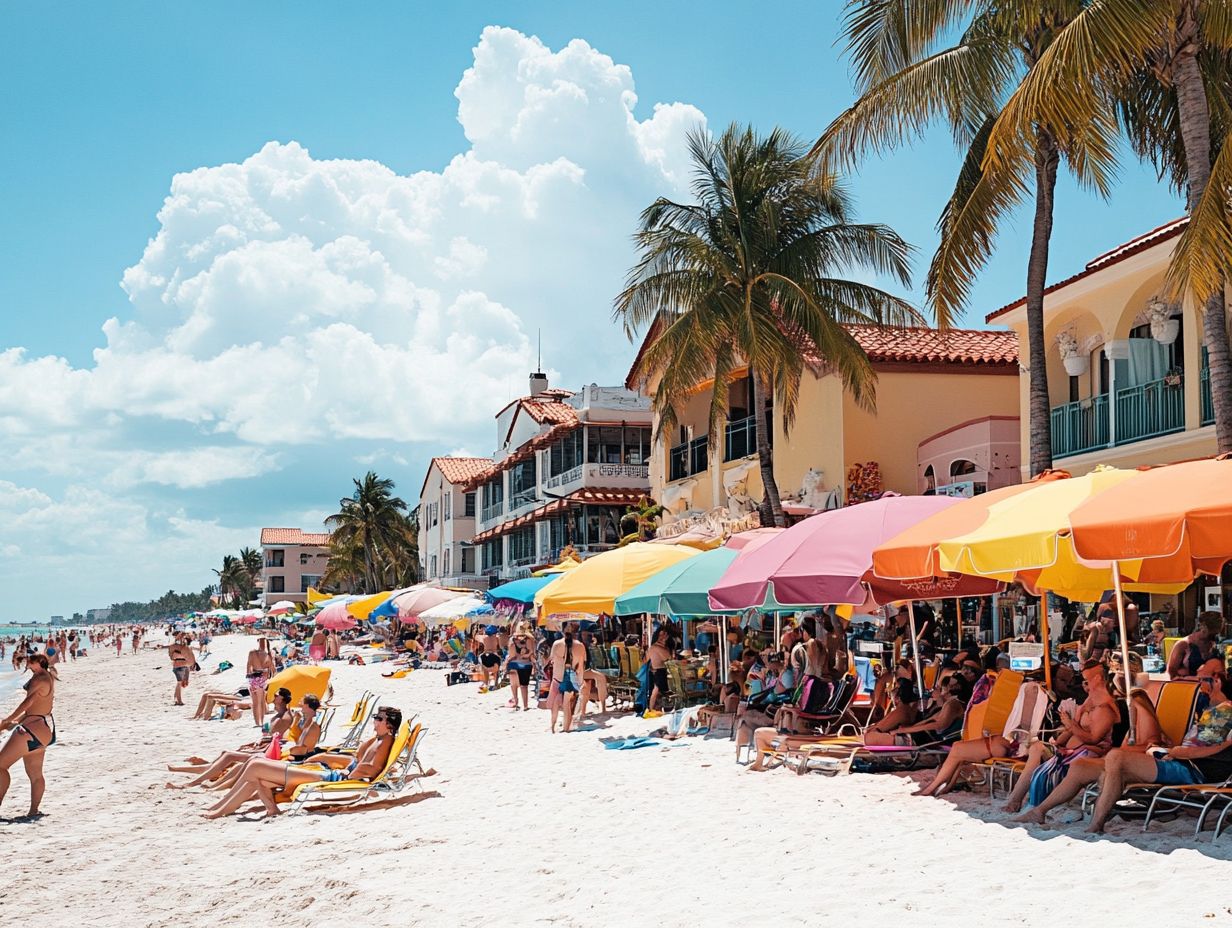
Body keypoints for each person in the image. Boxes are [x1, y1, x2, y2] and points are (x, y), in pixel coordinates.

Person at [1086, 669, 1232, 833]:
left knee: (1116, 757)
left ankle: (1097, 821)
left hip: (1193, 771)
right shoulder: (1215, 710)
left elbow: (1216, 750)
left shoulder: (1225, 712)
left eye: (1204, 679)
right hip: (1183, 763)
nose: (1201, 684)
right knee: (1118, 768)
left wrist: (1178, 752)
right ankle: (1099, 821)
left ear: (1218, 682)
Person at [202, 706, 401, 819]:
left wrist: (350, 773)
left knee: (255, 765)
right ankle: (228, 809)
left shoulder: (386, 741)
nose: (374, 720)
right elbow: (357, 758)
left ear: (389, 724)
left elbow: (373, 769)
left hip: (332, 777)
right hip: (331, 771)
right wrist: (324, 757)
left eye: (378, 718)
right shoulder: (379, 739)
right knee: (257, 776)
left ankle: (219, 809)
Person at [1013, 688, 1166, 825]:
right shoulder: (1133, 723)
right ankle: (1039, 811)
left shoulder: (1145, 719)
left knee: (1089, 763)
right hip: (1117, 760)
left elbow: (1151, 746)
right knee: (1079, 766)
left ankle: (1095, 823)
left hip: (1134, 765)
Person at [999, 660, 1119, 813]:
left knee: (1039, 751)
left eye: (1086, 681)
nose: (1084, 686)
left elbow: (1093, 739)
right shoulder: (1088, 702)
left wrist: (1070, 725)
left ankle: (1025, 803)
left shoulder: (1106, 708)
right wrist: (1058, 743)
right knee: (1036, 747)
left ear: (1097, 679)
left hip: (1087, 753)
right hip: (1070, 750)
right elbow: (1072, 728)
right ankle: (1015, 800)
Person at [0, 653, 56, 818]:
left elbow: (27, 704)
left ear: (39, 663)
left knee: (0, 766)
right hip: (43, 730)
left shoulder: (39, 680)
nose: (28, 667)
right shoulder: (48, 677)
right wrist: (12, 723)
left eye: (30, 664)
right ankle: (33, 811)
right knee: (36, 774)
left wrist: (7, 719)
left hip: (30, 730)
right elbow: (36, 708)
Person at [548, 624, 586, 734]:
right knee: (567, 704)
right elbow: (581, 665)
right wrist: (581, 681)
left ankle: (553, 727)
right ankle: (566, 728)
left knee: (555, 703)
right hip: (573, 675)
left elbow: (552, 660)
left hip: (558, 676)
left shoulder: (557, 644)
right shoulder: (580, 646)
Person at [1166, 611, 1224, 680]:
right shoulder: (1183, 644)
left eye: (1216, 633)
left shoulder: (1215, 645)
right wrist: (1193, 679)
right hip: (1187, 686)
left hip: (1209, 688)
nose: (1214, 636)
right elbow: (1171, 673)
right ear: (1202, 626)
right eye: (1211, 632)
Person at [503, 621, 537, 711]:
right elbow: (531, 652)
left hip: (514, 664)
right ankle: (525, 706)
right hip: (525, 665)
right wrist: (525, 656)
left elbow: (512, 654)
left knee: (513, 685)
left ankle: (515, 702)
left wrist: (507, 662)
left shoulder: (512, 640)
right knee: (524, 686)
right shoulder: (529, 639)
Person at [245, 638, 276, 728]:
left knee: (256, 702)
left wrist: (248, 677)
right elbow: (273, 669)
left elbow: (248, 666)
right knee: (261, 701)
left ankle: (258, 723)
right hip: (263, 679)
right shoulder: (268, 654)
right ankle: (261, 722)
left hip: (254, 678)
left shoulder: (252, 653)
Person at [645, 627, 672, 717]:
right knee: (655, 691)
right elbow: (668, 658)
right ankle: (651, 709)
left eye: (664, 634)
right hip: (658, 671)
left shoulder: (656, 647)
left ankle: (653, 708)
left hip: (654, 671)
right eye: (661, 634)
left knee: (655, 692)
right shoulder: (657, 648)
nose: (662, 637)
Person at [168, 634, 194, 707]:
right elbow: (174, 657)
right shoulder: (176, 648)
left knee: (181, 683)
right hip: (178, 666)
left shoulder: (186, 648)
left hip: (185, 666)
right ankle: (179, 700)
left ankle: (176, 699)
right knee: (179, 683)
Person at [478, 625, 502, 693]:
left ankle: (486, 684)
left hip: (485, 655)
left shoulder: (484, 638)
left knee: (485, 670)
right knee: (496, 671)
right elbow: (499, 647)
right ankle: (495, 684)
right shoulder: (497, 638)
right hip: (493, 655)